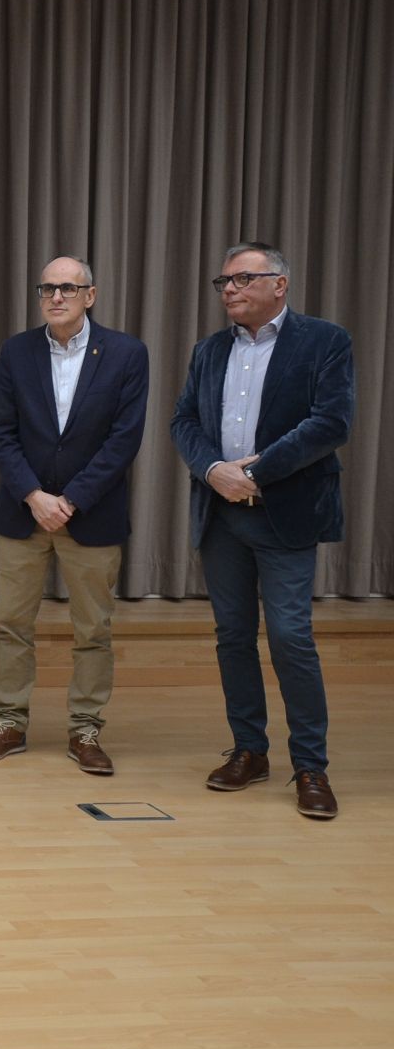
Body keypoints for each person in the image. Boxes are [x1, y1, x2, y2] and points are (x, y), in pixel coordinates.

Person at [170, 243, 354, 820]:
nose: (230, 289)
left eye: (243, 279)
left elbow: (331, 423)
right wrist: (212, 470)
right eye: (224, 281)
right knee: (232, 637)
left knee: (290, 637)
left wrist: (254, 473)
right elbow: (184, 420)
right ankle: (249, 750)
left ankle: (311, 766)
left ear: (280, 283)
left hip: (286, 512)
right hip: (221, 515)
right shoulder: (208, 350)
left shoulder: (324, 341)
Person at [0, 256, 148, 775]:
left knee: (94, 629)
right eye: (47, 288)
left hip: (92, 514)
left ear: (90, 295)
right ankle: (9, 723)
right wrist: (34, 495)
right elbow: (0, 432)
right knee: (11, 625)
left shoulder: (126, 353)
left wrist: (71, 499)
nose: (56, 297)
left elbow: (124, 439)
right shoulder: (16, 351)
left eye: (68, 288)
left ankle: (85, 729)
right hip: (23, 512)